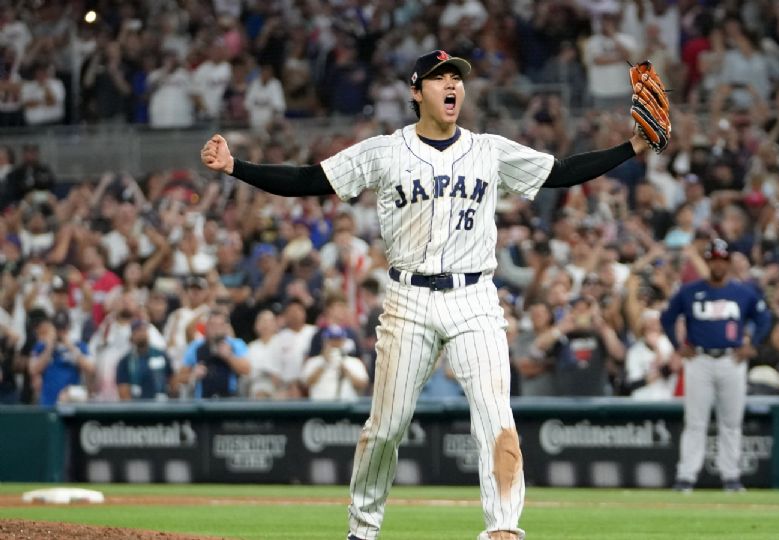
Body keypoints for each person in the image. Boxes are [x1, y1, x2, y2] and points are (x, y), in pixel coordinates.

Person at [202, 49, 664, 540]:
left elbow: (562, 171)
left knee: (495, 415)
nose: (452, 85)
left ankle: (504, 526)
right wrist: (237, 167)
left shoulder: (489, 149)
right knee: (386, 426)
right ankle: (362, 529)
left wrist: (631, 146)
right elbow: (308, 179)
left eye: (458, 79)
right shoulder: (385, 151)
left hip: (475, 298)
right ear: (416, 91)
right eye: (441, 77)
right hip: (408, 300)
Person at [661, 238, 772, 493]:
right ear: (708, 261)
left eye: (722, 260)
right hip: (699, 359)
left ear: (728, 262)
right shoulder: (689, 291)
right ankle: (686, 477)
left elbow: (764, 317)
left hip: (731, 359)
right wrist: (678, 346)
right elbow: (667, 318)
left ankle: (731, 477)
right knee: (695, 422)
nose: (718, 264)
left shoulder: (742, 292)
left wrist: (751, 343)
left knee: (731, 422)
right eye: (713, 259)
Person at [180, 308, 251, 399]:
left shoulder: (236, 344)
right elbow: (177, 379)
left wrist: (229, 356)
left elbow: (247, 370)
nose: (216, 329)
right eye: (212, 325)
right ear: (206, 327)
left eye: (220, 325)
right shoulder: (196, 346)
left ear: (226, 327)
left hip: (230, 400)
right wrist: (193, 375)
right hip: (202, 402)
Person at [29, 311, 94, 407]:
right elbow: (33, 369)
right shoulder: (42, 346)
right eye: (57, 328)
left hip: (72, 401)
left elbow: (91, 368)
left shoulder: (78, 345)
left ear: (68, 327)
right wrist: (49, 347)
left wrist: (71, 347)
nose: (60, 332)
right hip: (48, 402)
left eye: (63, 328)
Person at [300, 324, 369, 400]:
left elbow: (363, 384)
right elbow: (305, 384)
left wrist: (345, 369)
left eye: (338, 340)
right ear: (324, 341)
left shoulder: (354, 361)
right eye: (331, 340)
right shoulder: (313, 361)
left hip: (346, 407)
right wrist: (324, 363)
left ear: (343, 341)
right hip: (319, 407)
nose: (335, 343)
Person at [116, 319, 174, 400]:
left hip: (160, 406)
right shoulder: (125, 361)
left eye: (144, 330)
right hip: (137, 407)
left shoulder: (161, 355)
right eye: (138, 331)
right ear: (132, 335)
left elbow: (172, 381)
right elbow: (123, 391)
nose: (141, 334)